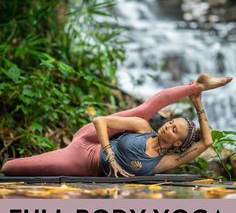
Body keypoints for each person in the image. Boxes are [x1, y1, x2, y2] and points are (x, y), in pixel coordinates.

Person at [2, 73, 233, 178]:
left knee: (9, 169)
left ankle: (197, 90)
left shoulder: (166, 161)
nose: (167, 127)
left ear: (179, 143)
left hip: (85, 166)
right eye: (171, 122)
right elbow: (99, 120)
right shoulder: (143, 128)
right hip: (88, 145)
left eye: (174, 130)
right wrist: (111, 156)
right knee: (143, 112)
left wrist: (199, 106)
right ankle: (197, 85)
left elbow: (207, 141)